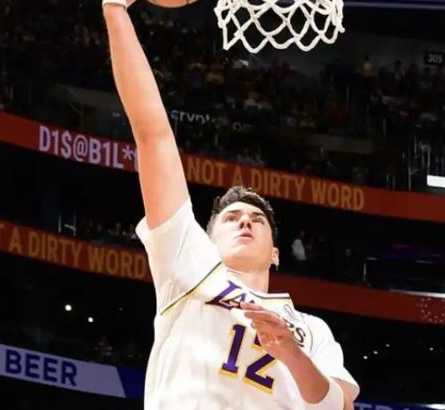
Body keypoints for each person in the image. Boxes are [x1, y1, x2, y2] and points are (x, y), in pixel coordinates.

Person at [101, 1, 360, 408]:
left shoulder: (311, 330)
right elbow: (154, 136)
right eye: (232, 218)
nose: (245, 222)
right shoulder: (188, 262)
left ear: (276, 253)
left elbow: (341, 407)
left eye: (257, 219)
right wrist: (115, 12)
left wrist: (291, 353)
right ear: (207, 240)